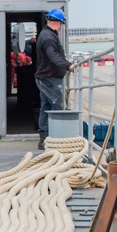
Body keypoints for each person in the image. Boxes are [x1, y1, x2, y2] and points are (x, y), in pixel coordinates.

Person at [34, 8, 73, 148]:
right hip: (49, 78)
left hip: (45, 78)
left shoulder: (46, 35)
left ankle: (44, 140)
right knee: (57, 106)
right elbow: (53, 56)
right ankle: (58, 139)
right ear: (58, 23)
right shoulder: (49, 37)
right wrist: (68, 65)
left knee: (46, 107)